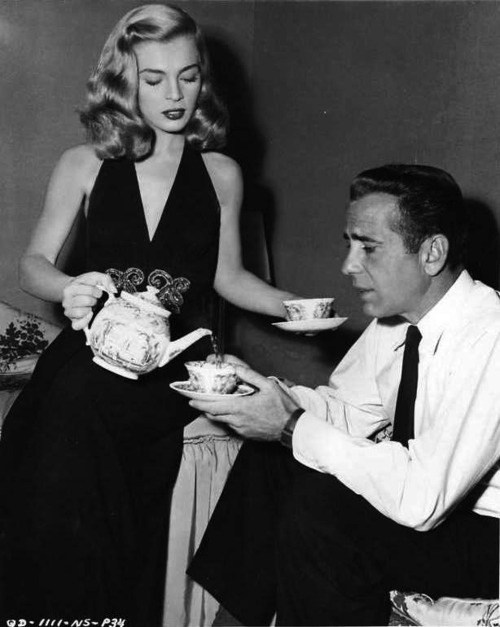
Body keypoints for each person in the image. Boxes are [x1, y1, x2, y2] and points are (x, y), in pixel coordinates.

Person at [0, 4, 296, 624]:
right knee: (61, 414)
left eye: (188, 76)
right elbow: (32, 264)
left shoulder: (222, 174)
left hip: (172, 362)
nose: (174, 95)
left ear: (203, 78)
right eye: (154, 79)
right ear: (123, 82)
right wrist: (69, 286)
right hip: (94, 351)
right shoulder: (83, 162)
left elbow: (228, 277)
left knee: (77, 419)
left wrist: (297, 307)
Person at [187, 164, 500, 626]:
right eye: (349, 244)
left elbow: (424, 500)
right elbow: (347, 411)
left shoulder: (489, 334)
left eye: (368, 248)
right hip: (432, 514)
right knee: (273, 456)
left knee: (321, 507)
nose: (349, 265)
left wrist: (290, 425)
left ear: (432, 253)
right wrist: (268, 395)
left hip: (486, 538)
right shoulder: (394, 322)